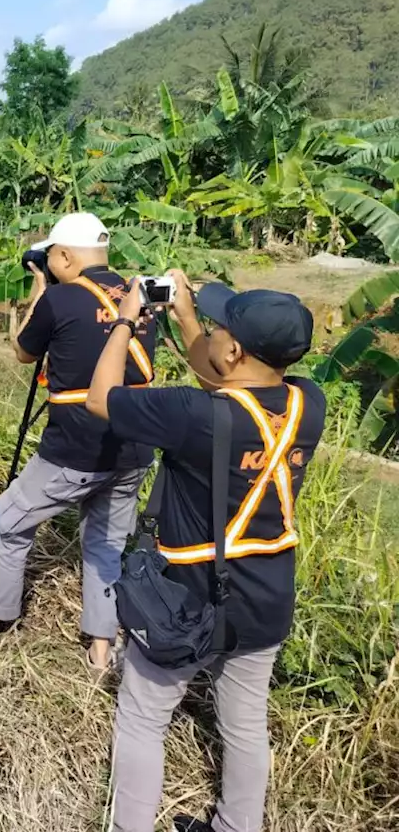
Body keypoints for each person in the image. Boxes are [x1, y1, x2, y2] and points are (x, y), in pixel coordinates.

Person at [87, 274, 324, 832]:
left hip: (186, 598)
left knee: (144, 716)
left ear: (236, 349)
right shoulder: (306, 403)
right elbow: (226, 377)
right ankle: (237, 825)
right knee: (245, 723)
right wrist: (190, 320)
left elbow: (102, 399)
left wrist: (124, 319)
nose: (212, 335)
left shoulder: (191, 414)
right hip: (265, 597)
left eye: (220, 328)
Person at [0, 213, 157, 671]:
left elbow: (23, 351)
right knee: (106, 544)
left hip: (75, 447)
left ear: (64, 256)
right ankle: (101, 651)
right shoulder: (140, 296)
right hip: (133, 446)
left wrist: (41, 296)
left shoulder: (60, 300)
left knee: (11, 519)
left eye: (52, 259)